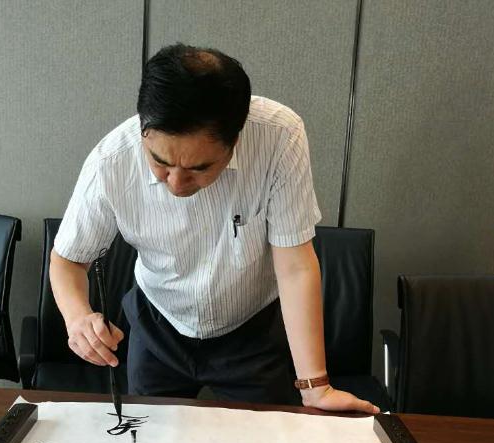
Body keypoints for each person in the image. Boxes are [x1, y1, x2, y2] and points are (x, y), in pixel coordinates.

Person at [50, 43, 379, 414]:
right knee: (151, 434)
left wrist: (316, 387)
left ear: (235, 140)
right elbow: (67, 260)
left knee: (263, 437)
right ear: (143, 129)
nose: (177, 183)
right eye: (160, 163)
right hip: (158, 321)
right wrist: (78, 318)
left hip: (251, 328)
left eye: (199, 168)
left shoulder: (278, 137)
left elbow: (295, 266)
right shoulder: (111, 162)